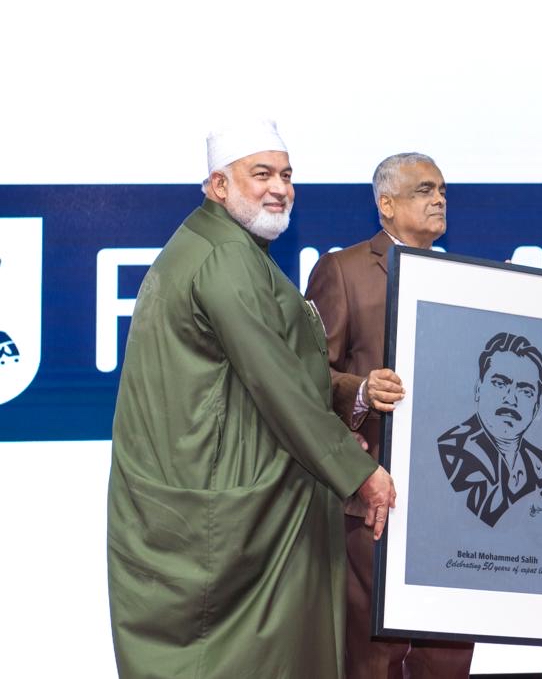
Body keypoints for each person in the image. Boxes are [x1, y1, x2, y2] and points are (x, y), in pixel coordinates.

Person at [107, 120, 396, 679]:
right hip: (224, 508)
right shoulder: (224, 257)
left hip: (221, 488)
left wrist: (345, 407)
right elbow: (276, 381)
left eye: (286, 175)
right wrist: (357, 472)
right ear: (219, 185)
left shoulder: (223, 245)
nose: (279, 188)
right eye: (261, 174)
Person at [304, 152, 474, 678]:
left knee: (448, 652)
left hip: (454, 496)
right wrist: (361, 390)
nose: (438, 199)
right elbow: (306, 376)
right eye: (424, 190)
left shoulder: (466, 277)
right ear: (387, 204)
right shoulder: (344, 270)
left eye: (442, 190)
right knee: (374, 653)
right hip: (376, 490)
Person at [438, 331, 542, 527]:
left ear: (536, 407)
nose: (511, 399)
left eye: (525, 391)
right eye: (500, 384)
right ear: (478, 389)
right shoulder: (449, 450)